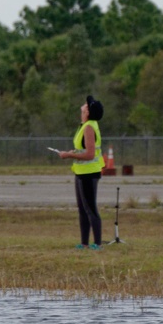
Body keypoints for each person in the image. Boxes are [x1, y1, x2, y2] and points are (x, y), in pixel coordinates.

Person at [59, 95, 105, 249]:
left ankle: (97, 243)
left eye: (87, 105)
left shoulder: (89, 127)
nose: (84, 105)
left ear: (88, 112)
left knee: (91, 208)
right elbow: (83, 149)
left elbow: (90, 154)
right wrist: (73, 151)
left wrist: (70, 155)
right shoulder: (84, 125)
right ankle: (84, 243)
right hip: (80, 172)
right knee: (82, 209)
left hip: (89, 173)